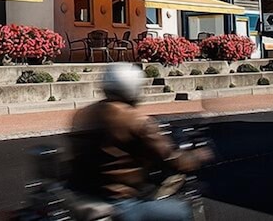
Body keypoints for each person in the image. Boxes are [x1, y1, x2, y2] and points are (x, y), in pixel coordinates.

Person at [67, 63, 211, 221]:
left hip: (87, 196)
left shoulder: (83, 115)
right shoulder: (137, 121)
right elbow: (169, 156)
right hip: (121, 203)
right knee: (183, 211)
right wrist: (196, 156)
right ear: (133, 88)